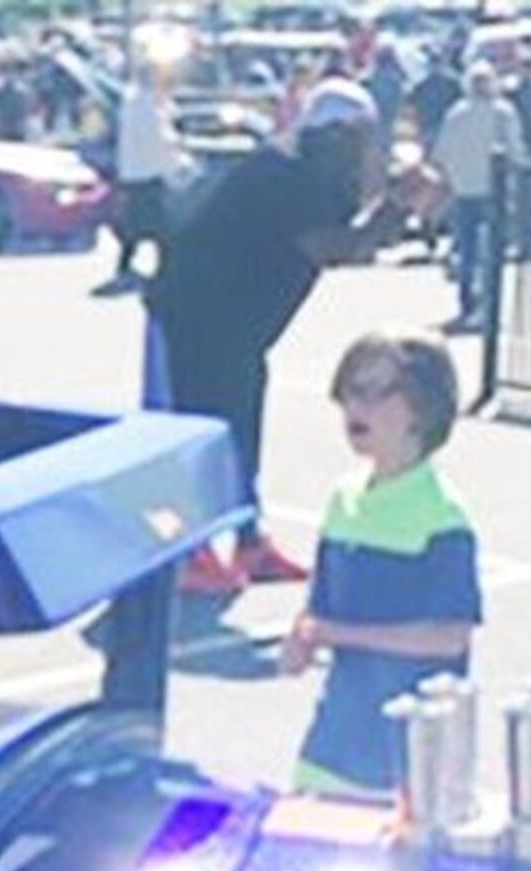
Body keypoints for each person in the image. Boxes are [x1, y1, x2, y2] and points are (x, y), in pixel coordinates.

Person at [143, 78, 394, 597]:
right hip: (191, 314)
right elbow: (332, 247)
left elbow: (355, 228)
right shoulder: (285, 173)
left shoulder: (322, 174)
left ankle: (248, 542)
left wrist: (399, 201)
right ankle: (186, 551)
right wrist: (394, 211)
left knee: (240, 429)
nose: (368, 148)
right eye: (361, 137)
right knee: (192, 434)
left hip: (238, 328)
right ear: (336, 135)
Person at [281, 332, 483, 796]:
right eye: (350, 391)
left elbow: (449, 637)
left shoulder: (443, 518)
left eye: (375, 392)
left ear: (422, 409)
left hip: (407, 763)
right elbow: (320, 613)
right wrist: (301, 643)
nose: (356, 407)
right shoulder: (343, 500)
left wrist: (341, 635)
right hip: (331, 750)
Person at [429, 62, 518, 334]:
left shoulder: (456, 115)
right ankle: (487, 307)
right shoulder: (503, 113)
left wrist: (450, 179)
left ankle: (469, 305)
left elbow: (440, 155)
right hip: (493, 191)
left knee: (467, 251)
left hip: (464, 190)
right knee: (490, 251)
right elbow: (515, 150)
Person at [103, 39, 188, 295]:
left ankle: (125, 268)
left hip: (132, 172)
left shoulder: (133, 101)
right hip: (148, 173)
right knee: (162, 227)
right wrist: (177, 165)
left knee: (136, 227)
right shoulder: (147, 105)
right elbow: (159, 140)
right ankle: (166, 271)